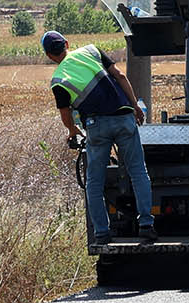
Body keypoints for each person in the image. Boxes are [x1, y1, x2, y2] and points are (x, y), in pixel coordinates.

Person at [44, 29, 155, 247]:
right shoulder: (91, 51)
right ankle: (146, 226)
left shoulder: (58, 80)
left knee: (94, 182)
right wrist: (134, 106)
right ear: (67, 43)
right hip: (124, 118)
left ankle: (102, 234)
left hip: (96, 126)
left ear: (49, 55)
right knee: (138, 172)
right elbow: (120, 76)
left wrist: (73, 131)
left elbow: (66, 114)